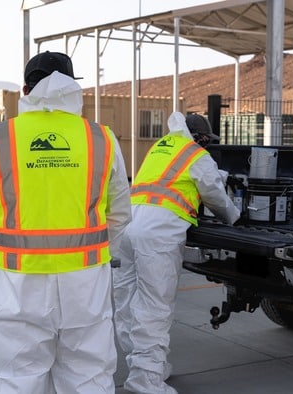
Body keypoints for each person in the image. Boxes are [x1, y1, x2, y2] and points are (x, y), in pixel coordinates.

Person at [0, 51, 131, 393]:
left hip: (18, 284)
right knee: (89, 377)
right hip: (86, 283)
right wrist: (98, 255)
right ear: (73, 87)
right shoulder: (101, 138)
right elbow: (120, 213)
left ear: (25, 90)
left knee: (16, 378)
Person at [112, 111, 240, 394]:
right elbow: (215, 195)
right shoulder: (196, 154)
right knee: (154, 307)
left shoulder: (162, 147)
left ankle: (146, 366)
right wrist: (234, 216)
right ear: (203, 138)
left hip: (128, 227)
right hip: (157, 233)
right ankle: (146, 381)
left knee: (127, 305)